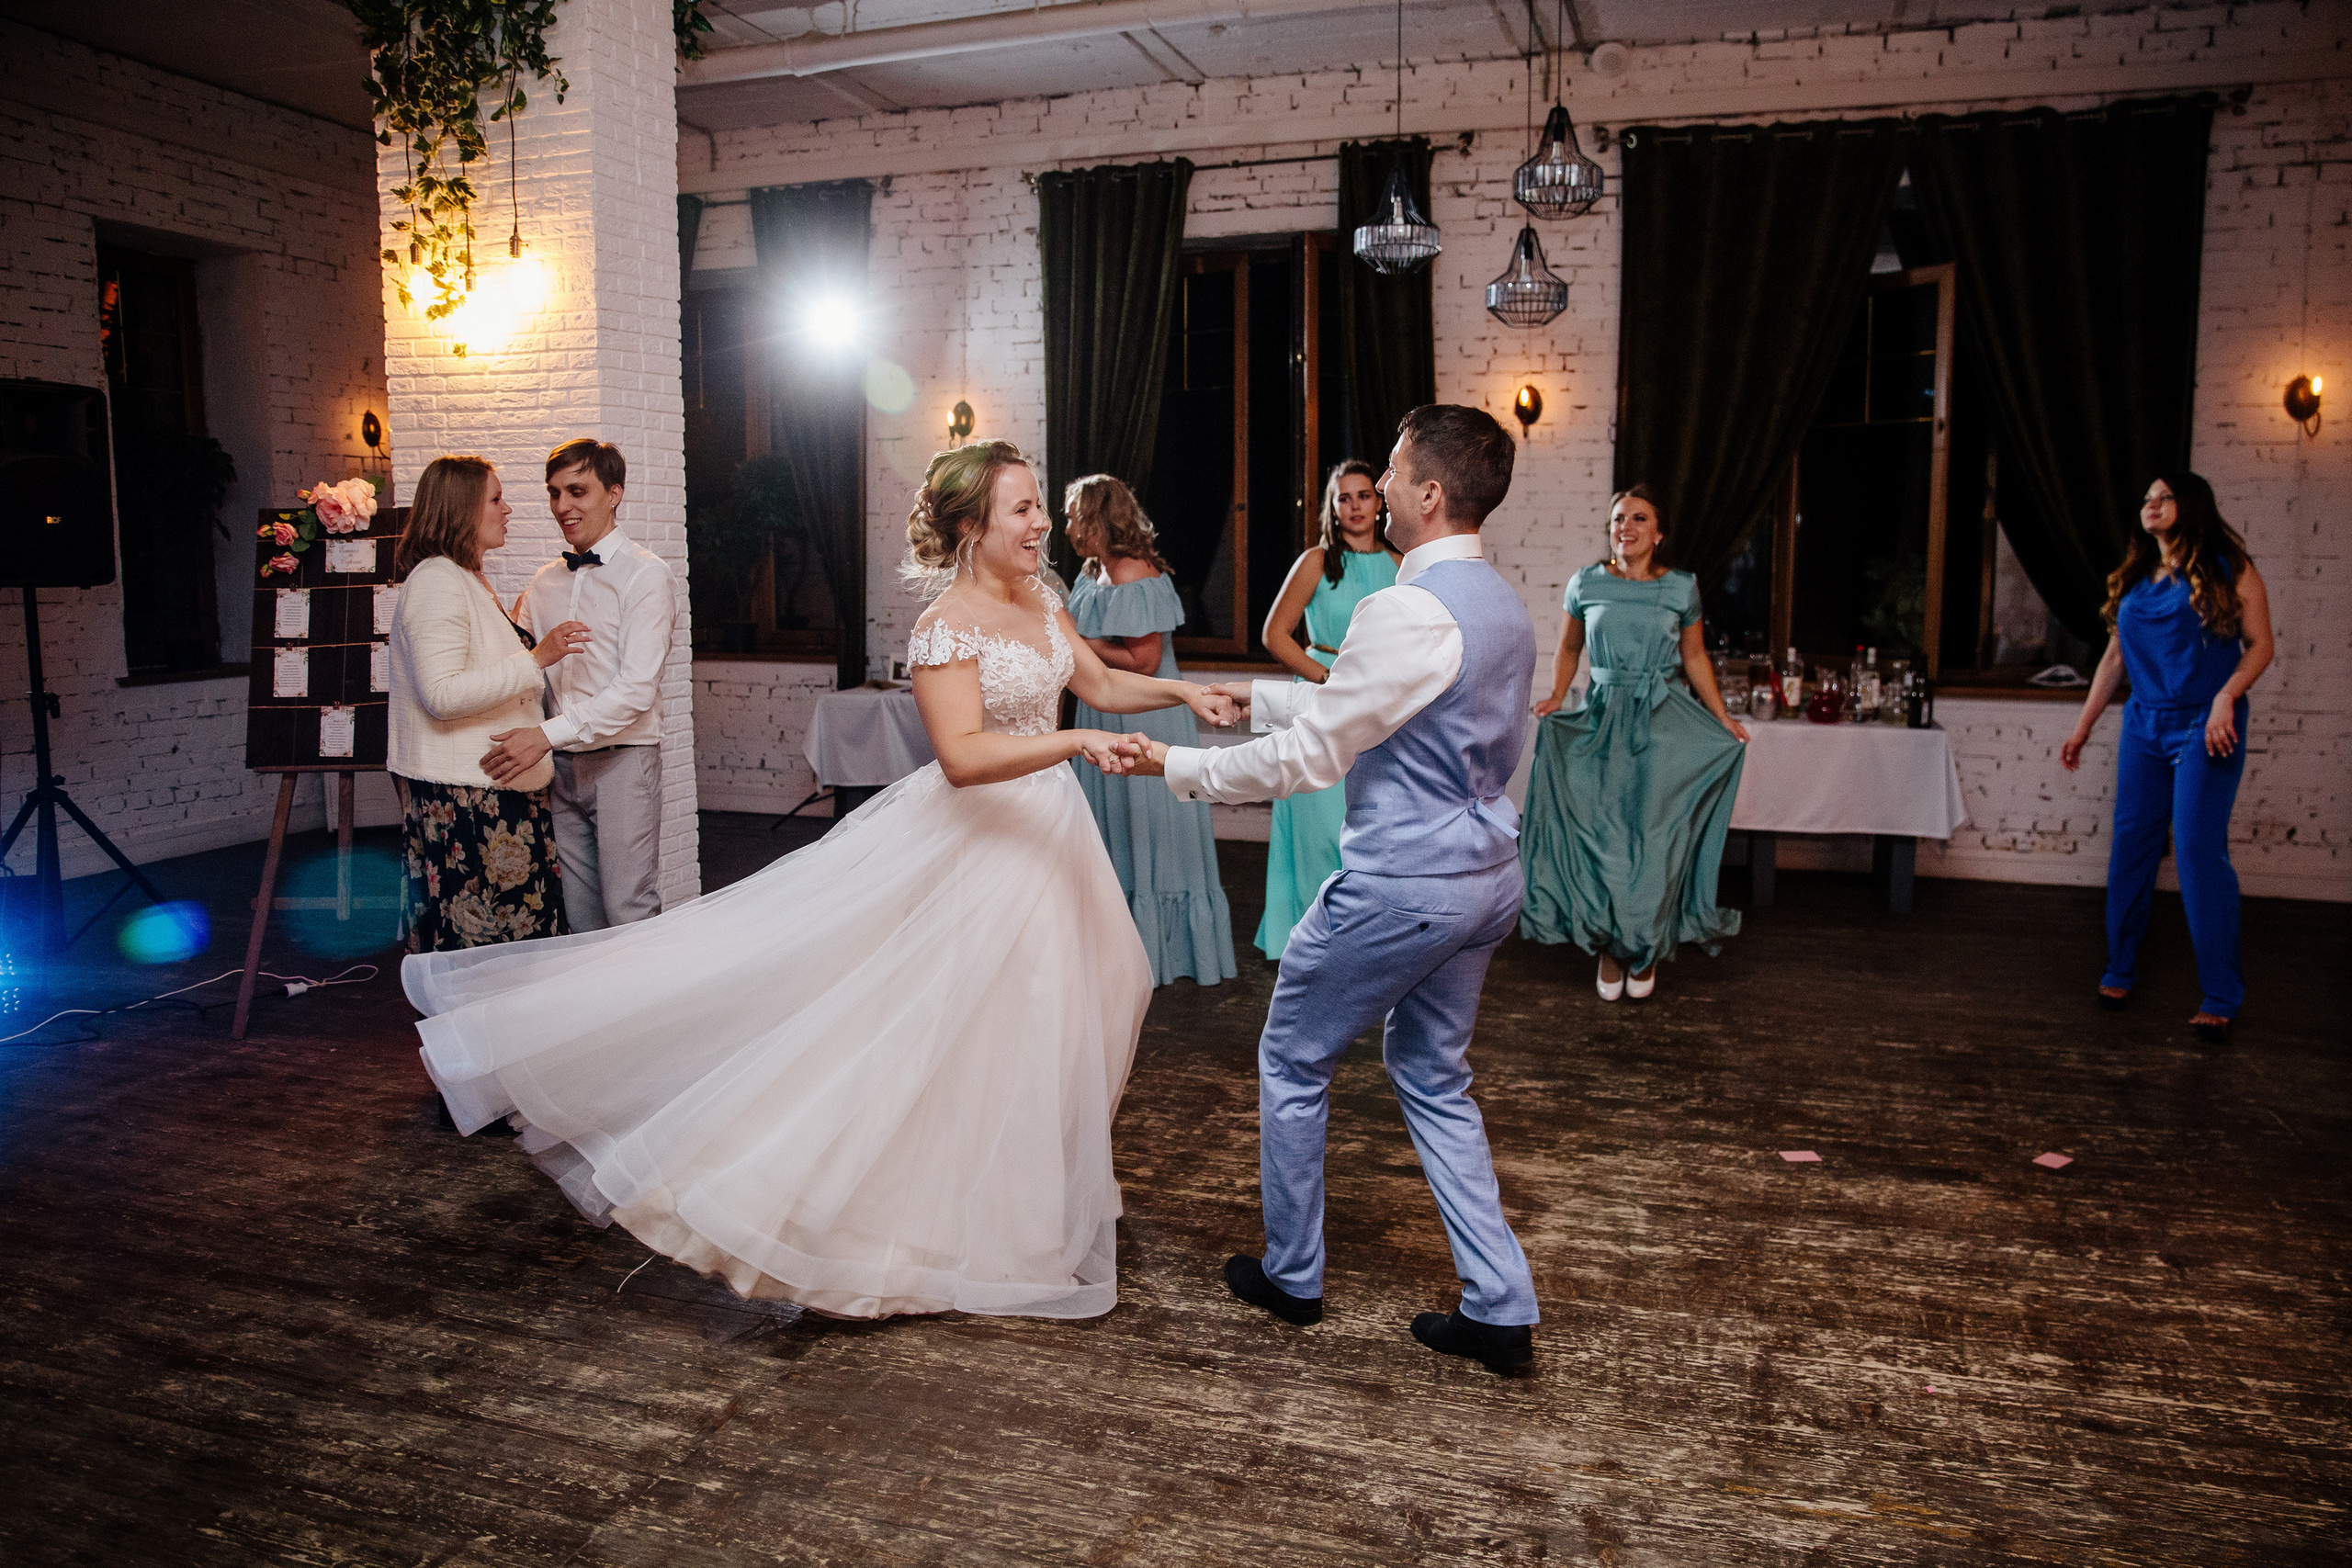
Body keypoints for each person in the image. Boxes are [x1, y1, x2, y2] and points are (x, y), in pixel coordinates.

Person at [404, 438, 1238, 1320]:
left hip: (1051, 830)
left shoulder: (1042, 598)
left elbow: (1099, 679)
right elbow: (962, 758)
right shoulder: (944, 626)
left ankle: (1028, 1193)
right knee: (984, 1014)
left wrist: (1183, 696)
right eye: (1023, 509)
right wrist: (1073, 741)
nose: (1041, 525)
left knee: (1083, 996)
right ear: (972, 526)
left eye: (1038, 507)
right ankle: (933, 1206)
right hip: (983, 840)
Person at [1119, 405, 1543, 1373]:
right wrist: (1257, 699)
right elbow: (1376, 703)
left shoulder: (1404, 608)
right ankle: (1499, 1307)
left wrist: (1177, 766)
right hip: (1485, 881)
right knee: (1434, 1075)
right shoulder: (1503, 604)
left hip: (1403, 887)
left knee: (1292, 1056)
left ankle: (1292, 1276)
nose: (1380, 487)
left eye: (1392, 471)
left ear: (1429, 492)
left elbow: (1311, 758)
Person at [2061, 472, 2274, 1043]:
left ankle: (2221, 994)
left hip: (2207, 723)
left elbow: (2261, 645)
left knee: (2199, 851)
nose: (2150, 505)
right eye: (2146, 498)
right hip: (2144, 723)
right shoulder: (2135, 577)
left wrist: (2226, 697)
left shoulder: (2231, 568)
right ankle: (2120, 967)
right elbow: (2114, 660)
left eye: (2163, 497)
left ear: (2191, 505)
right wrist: (2083, 727)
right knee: (2132, 844)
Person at [1517, 485, 1747, 1001]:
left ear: (1658, 534)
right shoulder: (1586, 582)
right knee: (1605, 837)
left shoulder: (1681, 587)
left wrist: (1722, 718)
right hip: (1602, 718)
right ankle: (1609, 945)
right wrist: (1557, 696)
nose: (1627, 526)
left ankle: (1646, 948)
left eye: (1639, 518)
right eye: (1619, 518)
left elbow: (1694, 657)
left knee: (1657, 838)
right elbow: (1569, 647)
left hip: (1663, 720)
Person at [387, 455, 591, 953]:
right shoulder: (437, 581)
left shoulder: (465, 577)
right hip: (469, 802)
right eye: (496, 499)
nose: (508, 509)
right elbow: (442, 694)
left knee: (515, 941)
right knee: (488, 944)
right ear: (461, 509)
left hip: (494, 792)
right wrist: (536, 659)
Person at [480, 439, 678, 933]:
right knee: (579, 916)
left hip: (623, 762)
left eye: (577, 491)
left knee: (629, 909)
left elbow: (636, 691)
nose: (562, 506)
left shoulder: (647, 576)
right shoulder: (544, 582)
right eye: (554, 493)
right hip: (558, 770)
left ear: (614, 494)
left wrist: (544, 735)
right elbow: (516, 663)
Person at [1063, 474, 1238, 987]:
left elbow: (1143, 661)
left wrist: (1075, 643)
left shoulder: (1133, 572)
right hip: (1103, 711)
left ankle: (1159, 954)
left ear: (1098, 518)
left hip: (1143, 713)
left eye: (1073, 516)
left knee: (1149, 830)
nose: (1067, 527)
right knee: (1112, 826)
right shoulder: (1093, 571)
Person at [1253, 460, 1401, 959]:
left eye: (1364, 495)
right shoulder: (1316, 561)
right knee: (1320, 825)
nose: (1355, 506)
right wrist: (1324, 677)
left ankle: (1361, 942)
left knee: (1369, 825)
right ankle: (1310, 939)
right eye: (1344, 497)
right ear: (1332, 509)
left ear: (1379, 503)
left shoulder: (1401, 565)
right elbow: (1275, 634)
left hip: (1378, 700)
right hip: (1321, 695)